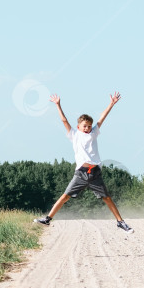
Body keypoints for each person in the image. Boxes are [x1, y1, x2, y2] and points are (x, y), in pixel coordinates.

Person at [34, 93, 134, 233]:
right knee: (65, 196)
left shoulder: (94, 133)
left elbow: (102, 118)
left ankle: (120, 222)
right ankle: (47, 219)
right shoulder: (74, 135)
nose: (87, 128)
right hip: (81, 173)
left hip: (95, 173)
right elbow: (64, 120)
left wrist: (111, 104)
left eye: (89, 126)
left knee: (107, 198)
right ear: (79, 126)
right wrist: (58, 104)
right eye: (85, 126)